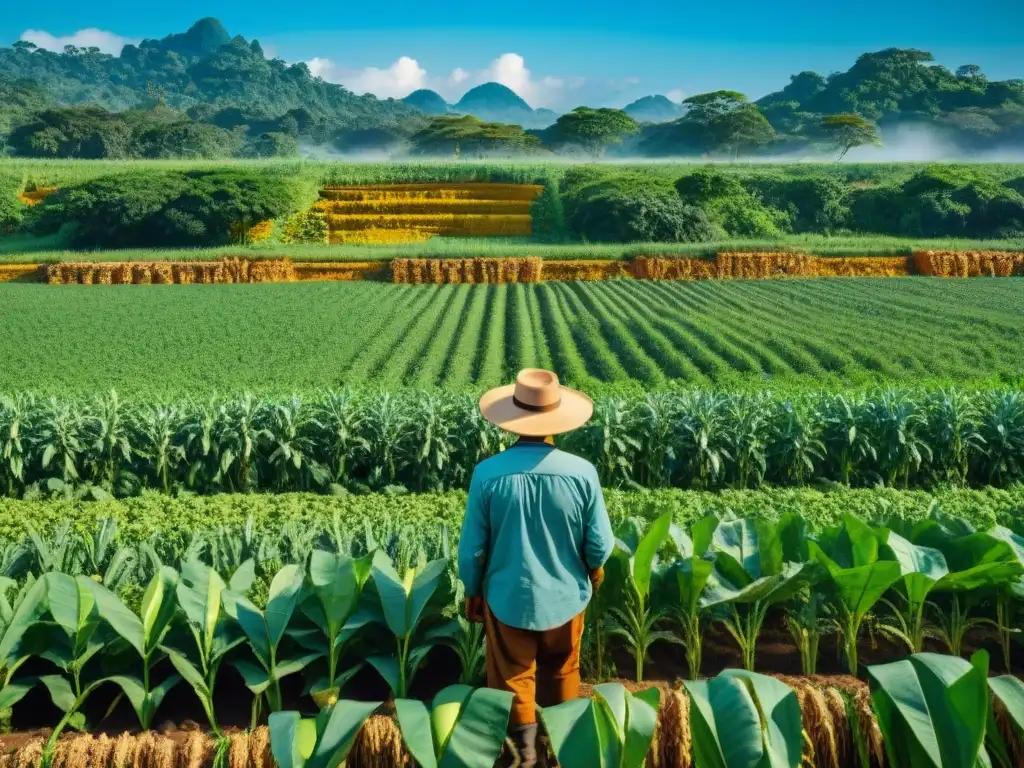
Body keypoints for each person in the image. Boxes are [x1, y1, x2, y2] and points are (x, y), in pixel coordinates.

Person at [457, 368, 614, 768]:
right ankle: (560, 750)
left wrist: (473, 591)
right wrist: (591, 573)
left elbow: (473, 549)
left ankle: (523, 756)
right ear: (557, 422)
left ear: (512, 420)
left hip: (508, 596)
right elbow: (599, 545)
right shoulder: (582, 473)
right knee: (563, 670)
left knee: (513, 676)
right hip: (566, 597)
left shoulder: (487, 474)